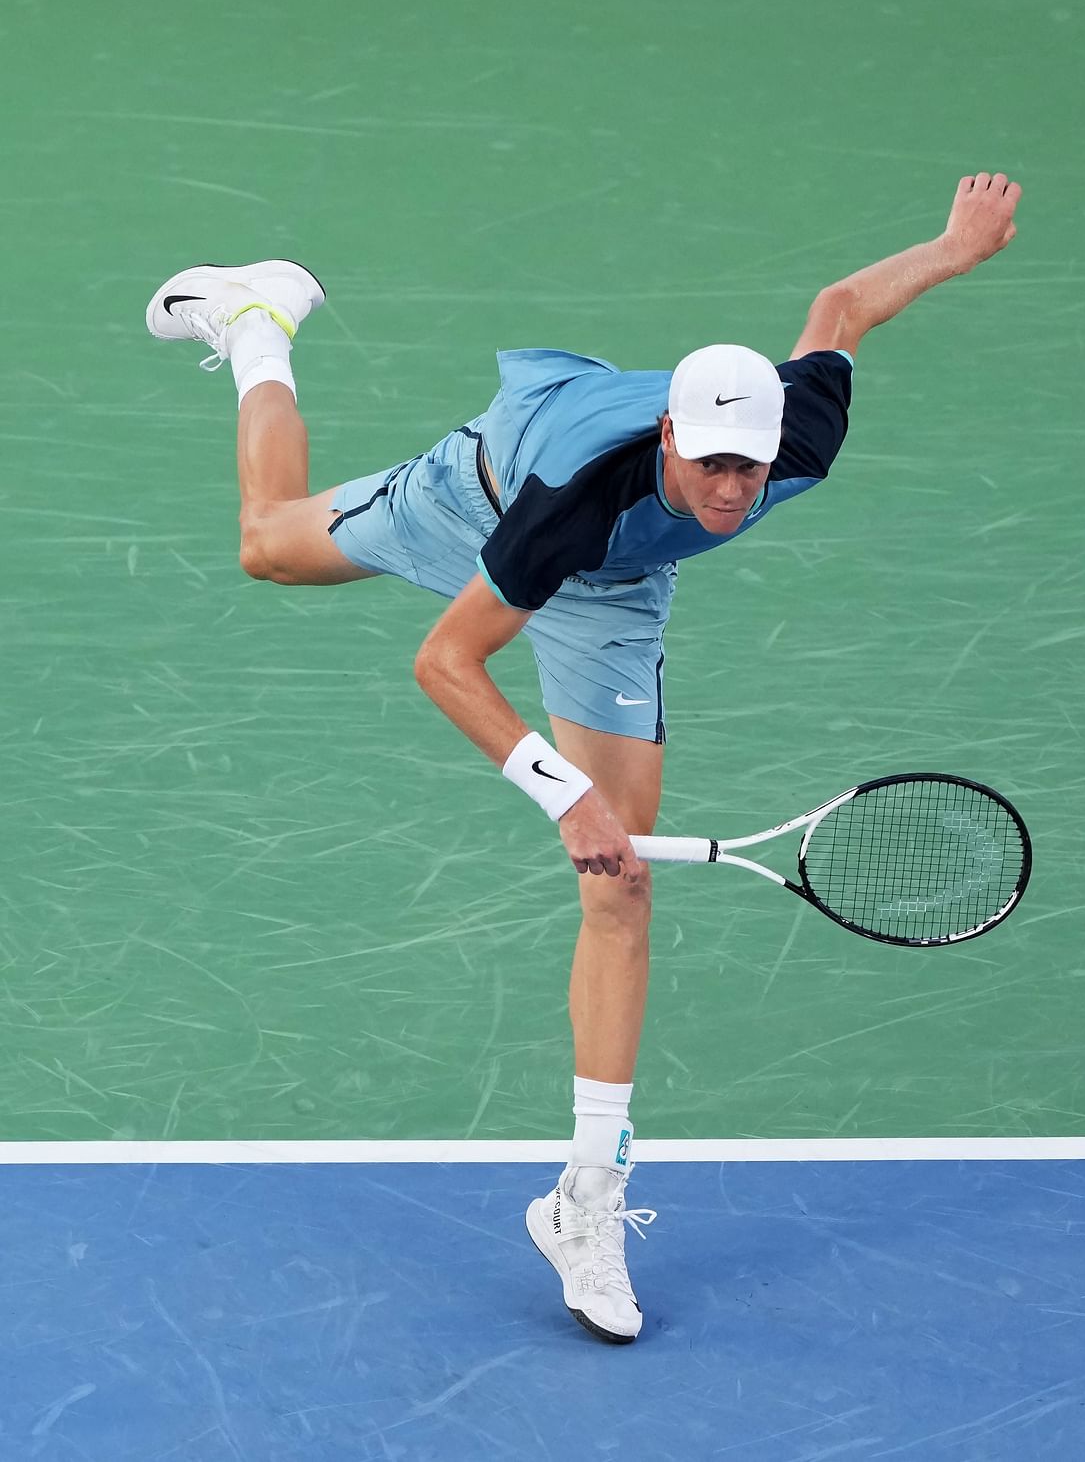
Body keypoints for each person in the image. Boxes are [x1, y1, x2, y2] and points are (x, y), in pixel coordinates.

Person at [145, 171, 1022, 1344]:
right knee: (267, 545)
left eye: (745, 467)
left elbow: (840, 307)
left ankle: (587, 1202)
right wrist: (563, 796)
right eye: (707, 462)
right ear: (671, 436)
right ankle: (259, 327)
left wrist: (954, 246)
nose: (729, 488)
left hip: (618, 596)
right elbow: (447, 665)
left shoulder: (799, 431)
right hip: (496, 500)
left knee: (622, 887)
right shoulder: (574, 499)